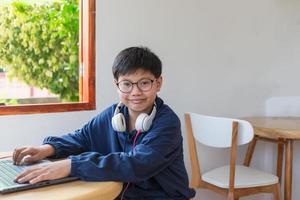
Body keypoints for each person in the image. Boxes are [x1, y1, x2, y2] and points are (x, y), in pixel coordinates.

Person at [13, 46, 196, 199]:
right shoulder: (113, 114)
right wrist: (49, 148)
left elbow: (137, 163)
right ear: (116, 85)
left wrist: (72, 165)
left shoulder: (168, 123)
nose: (135, 92)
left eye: (144, 83)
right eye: (126, 84)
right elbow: (83, 137)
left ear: (158, 83)